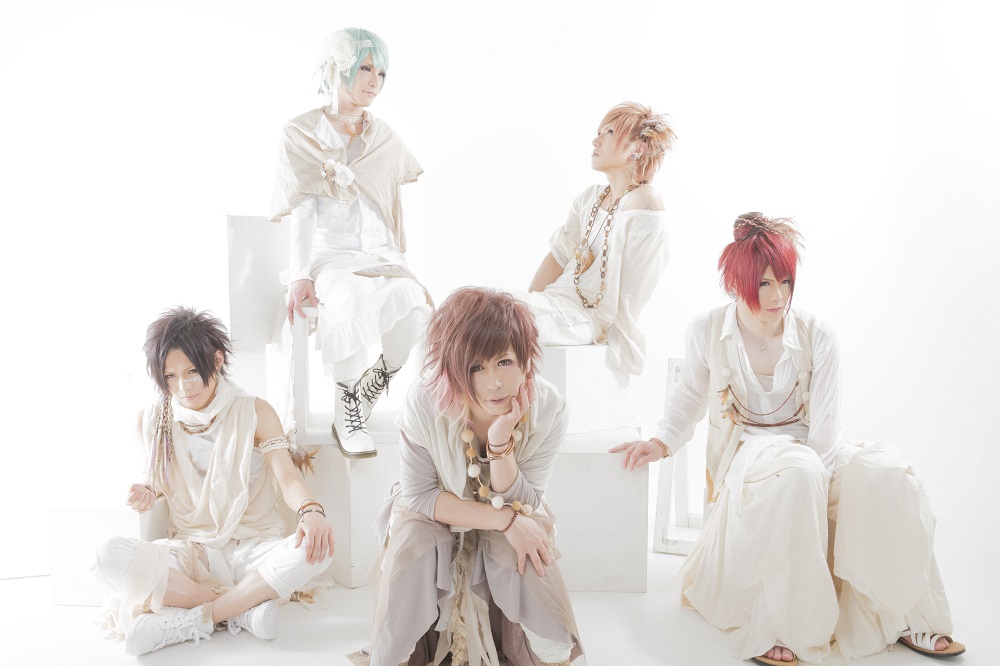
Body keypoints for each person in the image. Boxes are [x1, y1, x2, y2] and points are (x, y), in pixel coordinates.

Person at [611, 215, 964, 665]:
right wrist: (661, 442)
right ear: (736, 283)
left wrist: (819, 475)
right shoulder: (707, 331)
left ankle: (905, 613)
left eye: (785, 281)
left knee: (884, 473)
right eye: (763, 284)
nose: (778, 296)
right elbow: (689, 398)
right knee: (798, 474)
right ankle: (785, 626)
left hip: (815, 450)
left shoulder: (819, 336)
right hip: (749, 455)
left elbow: (826, 429)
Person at [349, 288, 584, 666]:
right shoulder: (425, 401)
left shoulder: (549, 407)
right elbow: (421, 496)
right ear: (453, 369)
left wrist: (500, 443)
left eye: (504, 362)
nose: (494, 383)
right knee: (414, 545)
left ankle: (550, 656)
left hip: (514, 505)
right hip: (435, 505)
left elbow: (526, 499)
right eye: (476, 367)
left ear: (526, 361)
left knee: (528, 551)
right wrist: (505, 521)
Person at [92, 307, 334, 656]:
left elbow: (288, 478)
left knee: (318, 552)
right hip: (193, 551)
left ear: (217, 360)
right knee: (105, 555)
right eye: (171, 376)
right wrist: (147, 491)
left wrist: (311, 512)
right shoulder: (155, 419)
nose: (183, 386)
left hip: (253, 548)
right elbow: (160, 480)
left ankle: (198, 617)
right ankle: (242, 610)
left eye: (192, 371)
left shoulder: (254, 411)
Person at [271, 27, 432, 458]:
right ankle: (346, 406)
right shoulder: (302, 134)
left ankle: (370, 386)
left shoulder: (385, 138)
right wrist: (300, 275)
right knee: (351, 298)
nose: (374, 80)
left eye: (382, 72)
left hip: (377, 254)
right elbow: (304, 211)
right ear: (338, 67)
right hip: (328, 256)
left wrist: (396, 260)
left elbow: (386, 208)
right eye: (365, 68)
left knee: (415, 305)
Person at [519, 101, 675, 381]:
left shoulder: (644, 200)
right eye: (599, 132)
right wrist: (527, 302)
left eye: (609, 132)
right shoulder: (589, 198)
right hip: (554, 304)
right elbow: (559, 256)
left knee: (489, 321)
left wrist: (615, 336)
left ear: (637, 149)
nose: (596, 140)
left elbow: (635, 287)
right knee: (485, 309)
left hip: (584, 318)